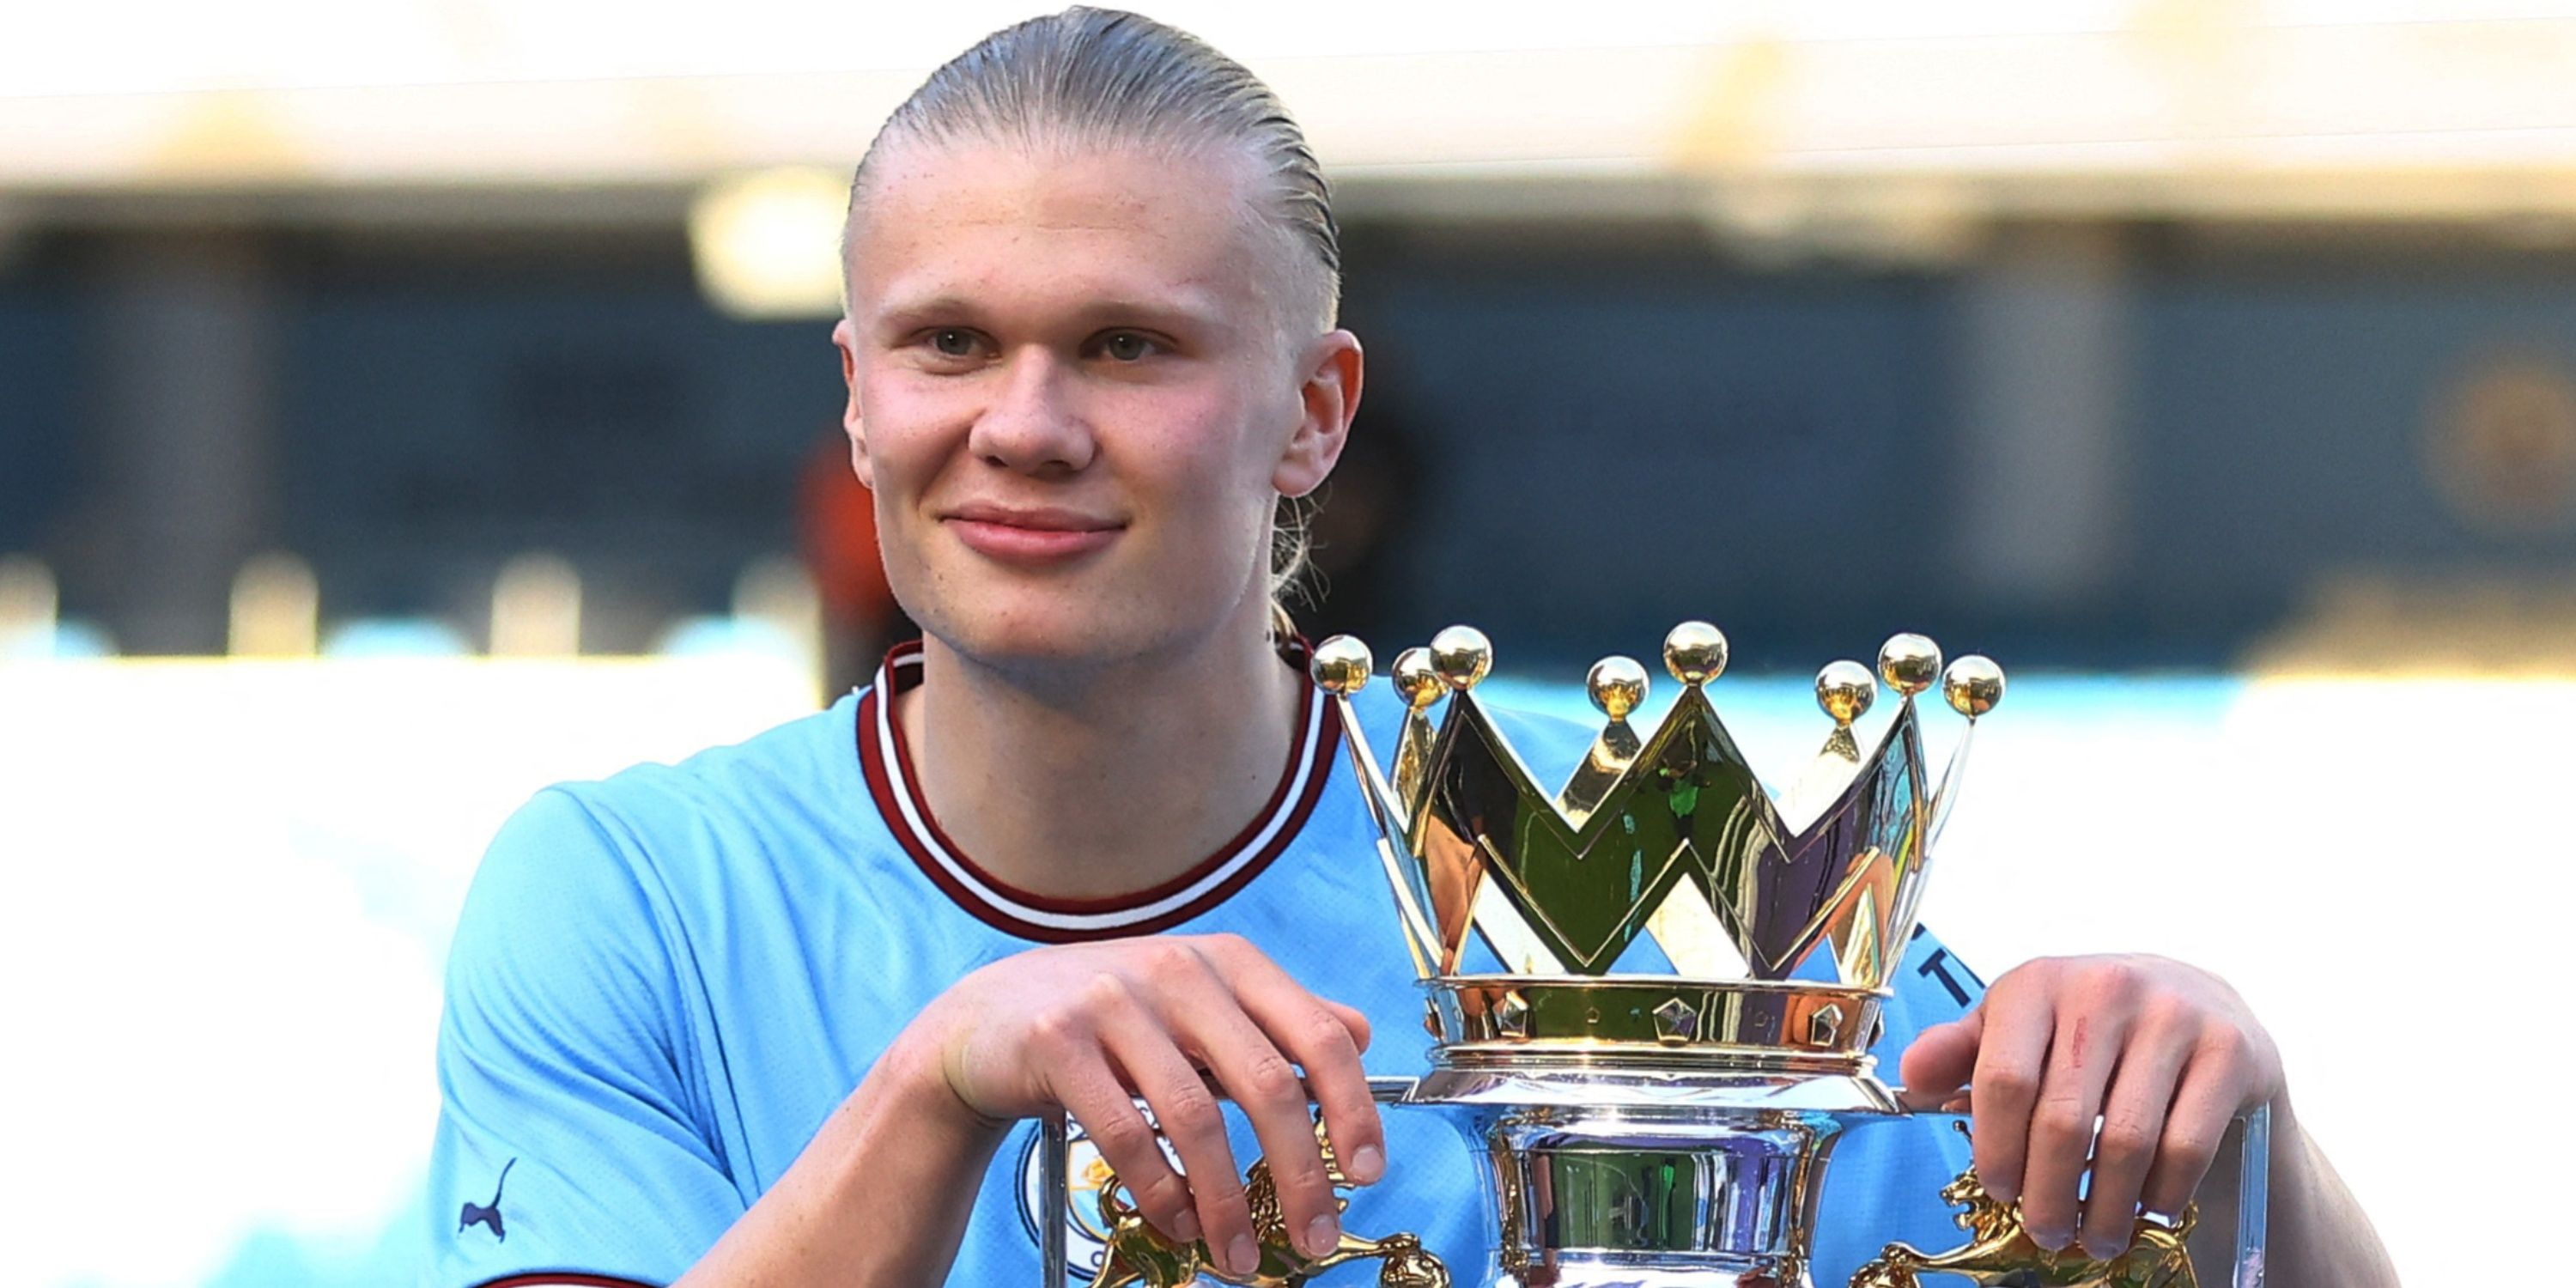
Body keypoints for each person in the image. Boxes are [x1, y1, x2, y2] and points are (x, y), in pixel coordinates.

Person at [423, 10, 2397, 1288]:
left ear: (1313, 414)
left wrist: (2234, 1132)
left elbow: (2129, 1214)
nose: (1023, 422)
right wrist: (947, 1087)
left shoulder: (1610, 854)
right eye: (949, 343)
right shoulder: (628, 889)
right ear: (857, 400)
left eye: (1131, 345)